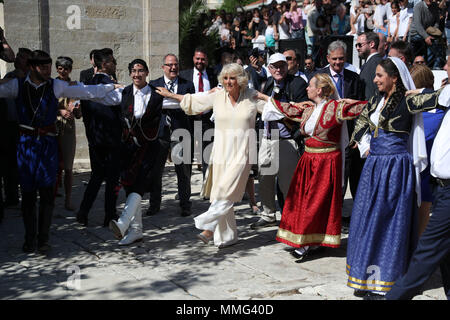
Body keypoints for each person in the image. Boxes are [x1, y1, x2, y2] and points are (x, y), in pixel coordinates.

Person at [0, 50, 121, 254]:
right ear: (32, 68)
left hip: (47, 145)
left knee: (47, 193)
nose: (48, 71)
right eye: (43, 67)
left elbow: (86, 92)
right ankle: (29, 239)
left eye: (49, 67)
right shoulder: (16, 86)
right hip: (26, 144)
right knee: (28, 194)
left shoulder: (55, 86)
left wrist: (110, 87)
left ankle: (44, 239)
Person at [155, 63, 269, 248]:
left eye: (232, 78)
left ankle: (208, 226)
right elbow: (194, 101)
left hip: (243, 152)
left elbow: (275, 110)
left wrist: (264, 95)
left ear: (240, 79)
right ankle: (227, 236)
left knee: (226, 190)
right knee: (218, 193)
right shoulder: (217, 95)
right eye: (225, 78)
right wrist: (170, 95)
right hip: (221, 152)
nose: (228, 82)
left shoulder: (252, 96)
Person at [345, 57, 428, 299]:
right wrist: (364, 144)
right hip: (374, 167)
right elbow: (361, 124)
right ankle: (366, 276)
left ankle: (385, 280)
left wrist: (421, 90)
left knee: (388, 222)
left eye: (380, 75)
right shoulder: (375, 101)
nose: (375, 80)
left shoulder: (408, 100)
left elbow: (442, 98)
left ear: (394, 77)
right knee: (367, 219)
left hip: (394, 168)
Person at [259, 73, 365, 259]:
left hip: (326, 162)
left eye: (310, 86)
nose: (306, 89)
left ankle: (308, 242)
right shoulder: (308, 109)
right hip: (308, 160)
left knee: (316, 202)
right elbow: (285, 108)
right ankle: (311, 240)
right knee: (301, 200)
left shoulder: (337, 107)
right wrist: (261, 97)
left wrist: (352, 100)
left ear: (320, 89)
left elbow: (365, 108)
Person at [384, 56, 450, 300]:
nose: (444, 68)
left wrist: (419, 93)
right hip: (441, 187)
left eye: (449, 64)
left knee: (427, 251)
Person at [109, 59, 164, 246]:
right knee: (130, 186)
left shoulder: (157, 95)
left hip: (149, 147)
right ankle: (136, 231)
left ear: (147, 73)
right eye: (133, 71)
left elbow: (177, 103)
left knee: (140, 183)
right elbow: (100, 97)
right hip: (128, 148)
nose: (137, 74)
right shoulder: (123, 93)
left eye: (140, 70)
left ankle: (123, 223)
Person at [250, 53, 308, 230]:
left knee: (287, 183)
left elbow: (298, 111)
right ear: (269, 68)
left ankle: (291, 216)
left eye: (282, 65)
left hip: (287, 140)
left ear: (288, 66)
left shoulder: (297, 84)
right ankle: (268, 214)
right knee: (265, 178)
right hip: (268, 138)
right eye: (274, 66)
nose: (279, 69)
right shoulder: (267, 83)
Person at [315, 40, 365, 233]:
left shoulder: (354, 78)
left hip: (349, 138)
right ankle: (329, 222)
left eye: (341, 59)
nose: (338, 62)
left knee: (349, 179)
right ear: (328, 58)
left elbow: (361, 109)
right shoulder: (318, 77)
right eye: (334, 59)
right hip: (327, 138)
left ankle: (348, 220)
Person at [76, 48, 123, 227]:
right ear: (104, 64)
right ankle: (109, 215)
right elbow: (119, 101)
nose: (115, 64)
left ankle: (83, 212)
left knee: (96, 177)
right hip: (111, 140)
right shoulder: (110, 87)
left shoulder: (87, 86)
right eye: (112, 61)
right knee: (112, 178)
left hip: (94, 140)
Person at [147, 54, 196, 217]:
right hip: (159, 133)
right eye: (169, 65)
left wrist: (170, 98)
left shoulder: (187, 85)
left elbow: (190, 107)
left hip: (181, 132)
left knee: (183, 171)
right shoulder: (154, 85)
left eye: (176, 65)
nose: (173, 68)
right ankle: (154, 204)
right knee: (156, 170)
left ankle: (185, 204)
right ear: (163, 67)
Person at [409, 64, 445, 237]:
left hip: (424, 169)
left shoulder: (434, 112)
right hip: (425, 167)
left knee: (421, 209)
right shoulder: (440, 110)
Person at [180, 48, 218, 179]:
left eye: (202, 59)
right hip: (188, 120)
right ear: (193, 59)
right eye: (197, 58)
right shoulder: (184, 75)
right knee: (186, 155)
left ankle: (207, 187)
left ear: (206, 60)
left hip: (207, 120)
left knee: (208, 155)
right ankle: (184, 190)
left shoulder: (215, 75)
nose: (200, 61)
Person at [54, 56, 81, 211]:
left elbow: (78, 114)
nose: (63, 71)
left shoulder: (74, 86)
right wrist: (60, 110)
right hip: (53, 127)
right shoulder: (52, 84)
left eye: (66, 68)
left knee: (69, 167)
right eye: (60, 68)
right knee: (53, 164)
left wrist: (76, 109)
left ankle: (68, 199)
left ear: (70, 70)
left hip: (68, 130)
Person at [409, 0, 442, 69]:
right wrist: (426, 36)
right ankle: (428, 65)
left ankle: (435, 66)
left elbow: (437, 22)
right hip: (416, 33)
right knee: (431, 42)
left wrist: (433, 32)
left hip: (428, 32)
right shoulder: (418, 6)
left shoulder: (435, 6)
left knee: (437, 42)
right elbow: (418, 25)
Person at [356, 32, 383, 100]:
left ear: (371, 44)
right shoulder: (370, 63)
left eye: (360, 45)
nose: (357, 48)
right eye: (356, 45)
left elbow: (377, 91)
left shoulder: (375, 63)